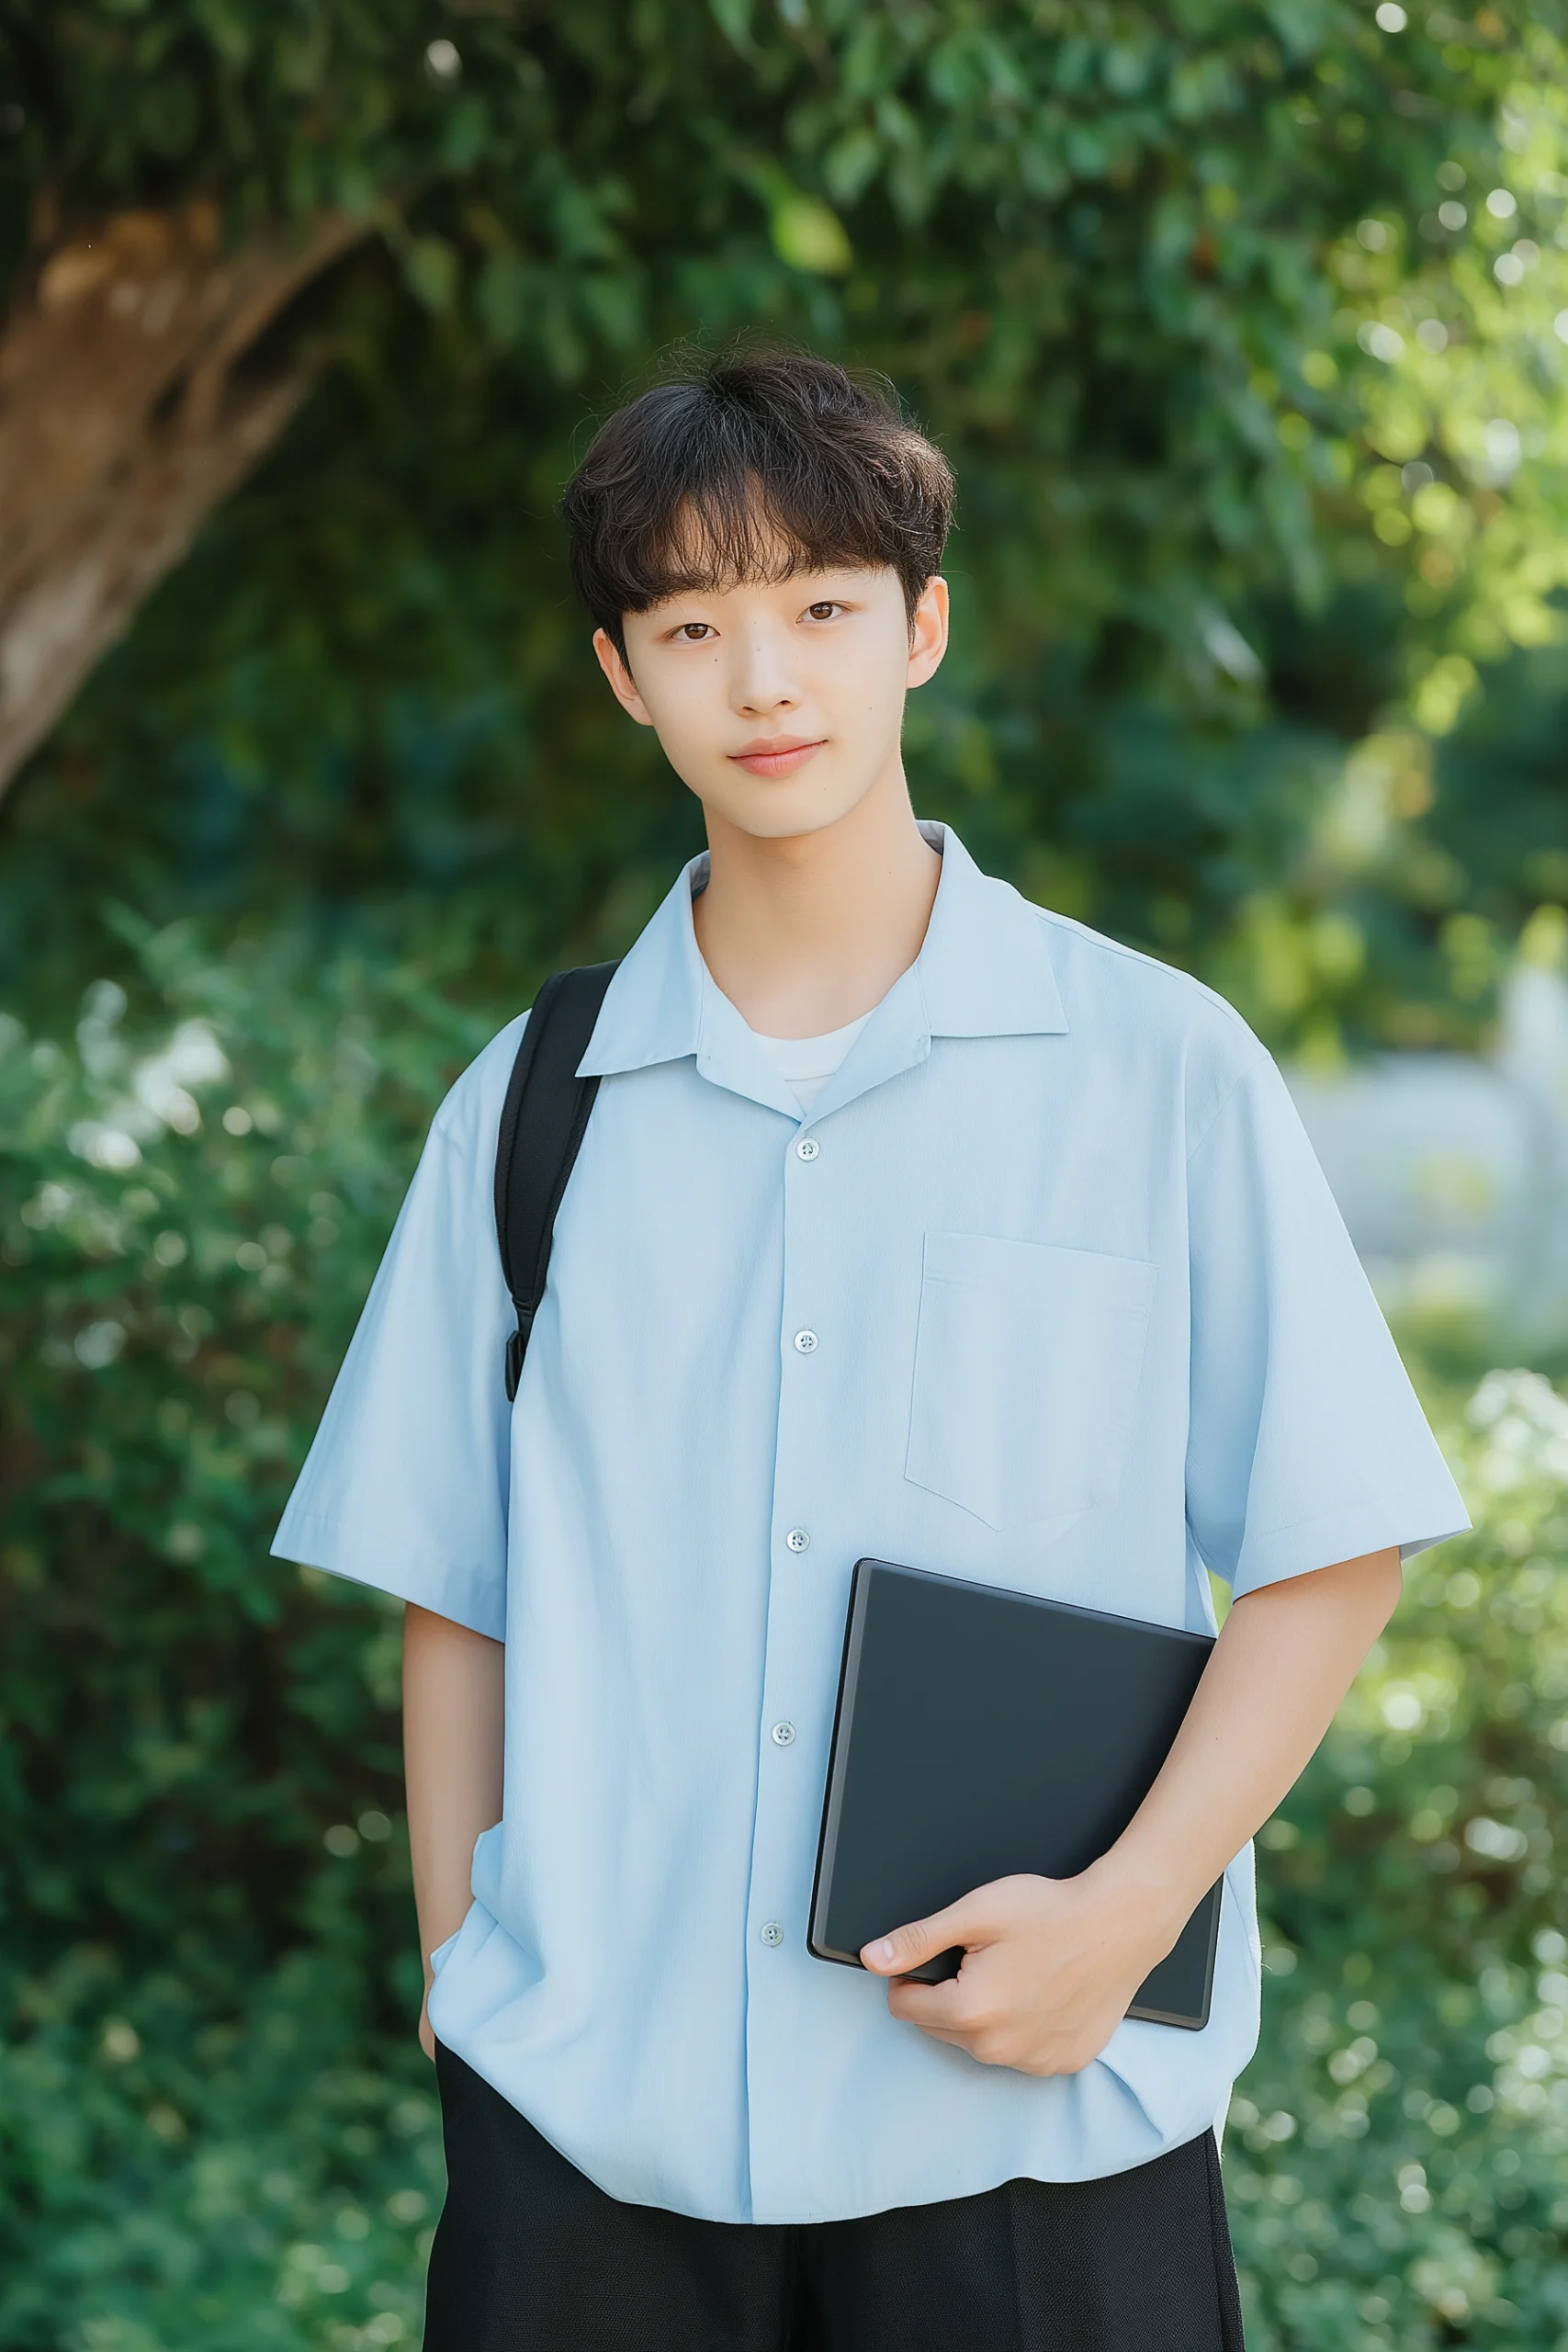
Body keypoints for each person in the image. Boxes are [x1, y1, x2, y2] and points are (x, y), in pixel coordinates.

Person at [272, 351, 1471, 2350]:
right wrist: (462, 1970)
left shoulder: (1155, 1066)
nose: (765, 678)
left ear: (921, 626)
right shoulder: (533, 1105)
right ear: (619, 672)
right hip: (589, 2158)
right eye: (693, 623)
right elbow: (453, 1591)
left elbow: (1332, 1539)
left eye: (822, 607)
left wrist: (1129, 1910)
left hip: (1031, 2143)